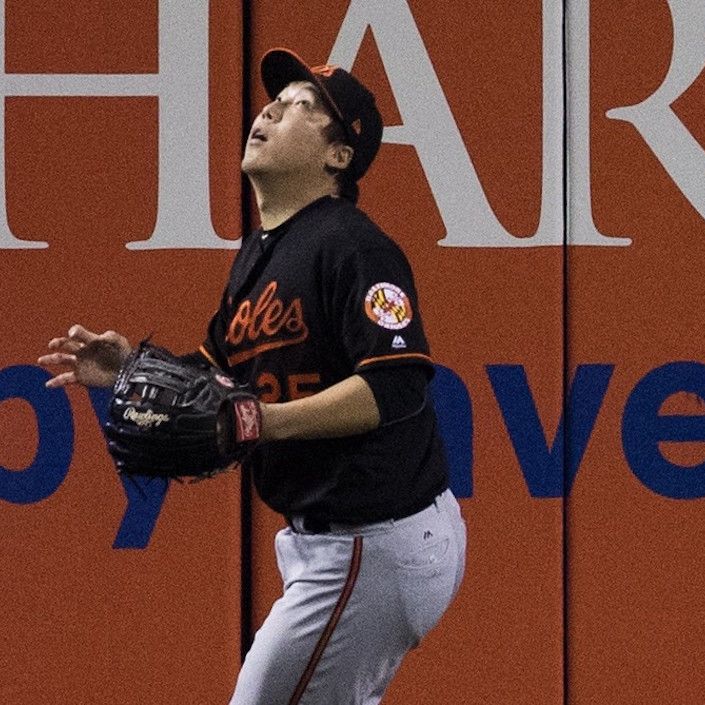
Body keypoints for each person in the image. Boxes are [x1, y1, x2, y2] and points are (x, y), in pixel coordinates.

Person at [39, 48, 466, 705]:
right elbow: (213, 377)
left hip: (375, 540)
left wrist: (265, 420)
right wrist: (127, 367)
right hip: (339, 542)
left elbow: (397, 383)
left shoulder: (352, 244)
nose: (270, 110)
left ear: (339, 156)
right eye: (276, 100)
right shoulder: (259, 253)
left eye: (302, 108)